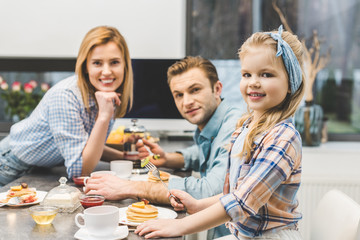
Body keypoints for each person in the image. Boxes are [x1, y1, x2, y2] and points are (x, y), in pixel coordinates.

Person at [135, 25, 305, 240]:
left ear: (290, 82)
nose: (253, 82)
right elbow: (235, 191)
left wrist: (179, 226)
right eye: (247, 74)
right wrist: (197, 205)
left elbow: (242, 202)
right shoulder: (248, 125)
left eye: (266, 74)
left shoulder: (283, 137)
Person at [84, 56, 244, 238]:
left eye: (195, 90)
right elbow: (202, 154)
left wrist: (132, 187)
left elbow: (210, 191)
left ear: (217, 89)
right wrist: (168, 158)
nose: (187, 101)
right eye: (179, 95)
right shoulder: (214, 123)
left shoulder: (233, 126)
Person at [0, 26, 133, 186]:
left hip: (41, 169)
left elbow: (86, 145)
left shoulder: (105, 94)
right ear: (85, 66)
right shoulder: (65, 96)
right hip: (9, 166)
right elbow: (79, 172)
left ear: (125, 65)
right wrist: (104, 117)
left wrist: (126, 157)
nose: (106, 72)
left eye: (114, 62)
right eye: (97, 63)